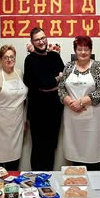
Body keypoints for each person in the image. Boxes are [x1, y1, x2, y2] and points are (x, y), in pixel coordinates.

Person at [59, 35, 100, 170]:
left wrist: (81, 102)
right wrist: (70, 103)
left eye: (86, 49)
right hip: (72, 119)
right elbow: (61, 88)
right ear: (75, 50)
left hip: (93, 120)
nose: (83, 52)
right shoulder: (69, 66)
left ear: (91, 50)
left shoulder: (97, 66)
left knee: (93, 155)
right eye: (79, 49)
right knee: (75, 156)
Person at [23, 27, 65, 171]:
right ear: (32, 42)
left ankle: (49, 178)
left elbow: (64, 78)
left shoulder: (55, 56)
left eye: (43, 38)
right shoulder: (30, 60)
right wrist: (56, 79)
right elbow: (38, 84)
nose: (41, 42)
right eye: (37, 40)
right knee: (38, 147)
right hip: (37, 112)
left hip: (55, 111)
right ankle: (37, 179)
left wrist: (50, 83)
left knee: (51, 147)